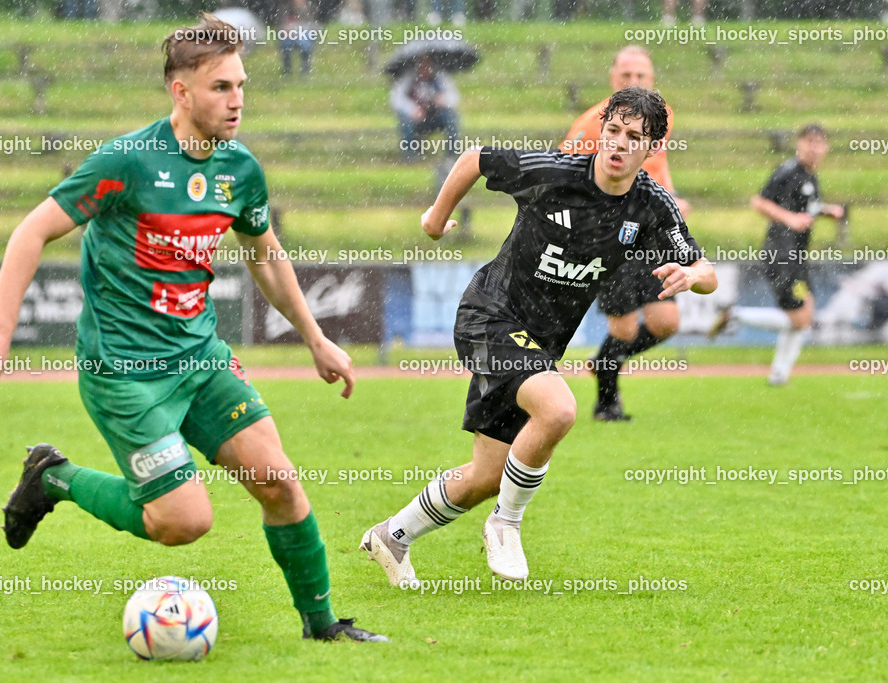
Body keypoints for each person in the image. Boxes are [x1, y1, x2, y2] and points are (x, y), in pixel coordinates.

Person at [0, 13, 386, 644]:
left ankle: (323, 628)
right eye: (220, 88)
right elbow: (32, 231)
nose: (236, 100)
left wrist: (315, 338)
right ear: (180, 92)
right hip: (125, 375)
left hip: (201, 359)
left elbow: (264, 254)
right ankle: (54, 478)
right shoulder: (128, 162)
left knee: (279, 484)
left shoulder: (240, 169)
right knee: (182, 523)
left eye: (240, 85)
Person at [360, 86, 716, 586]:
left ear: (652, 149)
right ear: (600, 131)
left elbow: (705, 271)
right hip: (490, 314)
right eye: (612, 131)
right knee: (559, 409)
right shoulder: (554, 171)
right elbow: (474, 159)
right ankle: (506, 525)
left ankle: (393, 536)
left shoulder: (651, 207)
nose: (618, 144)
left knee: (485, 476)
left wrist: (692, 277)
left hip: (541, 344)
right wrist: (435, 220)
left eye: (633, 137)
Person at [562, 46, 690, 422]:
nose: (634, 82)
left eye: (641, 76)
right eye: (626, 76)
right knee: (624, 328)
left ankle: (603, 361)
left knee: (666, 322)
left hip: (650, 236)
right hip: (610, 239)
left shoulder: (662, 116)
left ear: (652, 80)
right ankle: (606, 403)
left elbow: (659, 168)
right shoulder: (593, 123)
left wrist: (672, 199)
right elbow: (562, 175)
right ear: (613, 79)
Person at [709, 124, 844, 385]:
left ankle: (779, 375)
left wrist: (826, 211)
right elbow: (759, 202)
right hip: (782, 253)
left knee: (805, 316)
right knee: (801, 318)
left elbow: (806, 208)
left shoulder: (810, 177)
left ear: (826, 148)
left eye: (820, 143)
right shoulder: (788, 170)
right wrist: (790, 219)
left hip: (796, 256)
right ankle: (736, 316)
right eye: (810, 142)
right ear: (799, 144)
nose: (815, 149)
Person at [390, 57, 461, 162]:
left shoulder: (440, 78)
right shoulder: (408, 79)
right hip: (416, 119)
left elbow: (454, 97)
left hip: (435, 117)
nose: (425, 68)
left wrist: (442, 100)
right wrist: (413, 109)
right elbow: (396, 99)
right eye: (422, 65)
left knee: (451, 117)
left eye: (427, 65)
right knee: (405, 120)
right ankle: (409, 155)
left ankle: (451, 155)